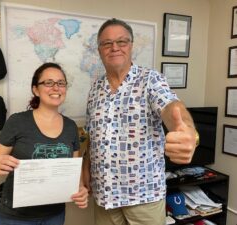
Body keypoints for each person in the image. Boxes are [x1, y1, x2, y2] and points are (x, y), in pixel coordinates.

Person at [83, 18, 199, 225]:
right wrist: (86, 168)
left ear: (131, 46)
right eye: (107, 43)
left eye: (122, 41)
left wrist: (188, 130)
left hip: (143, 197)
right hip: (105, 196)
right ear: (99, 50)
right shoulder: (95, 89)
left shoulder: (150, 79)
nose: (114, 47)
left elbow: (171, 107)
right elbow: (93, 136)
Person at [0, 62, 88, 225]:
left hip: (55, 215)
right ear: (35, 89)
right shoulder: (17, 121)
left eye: (61, 83)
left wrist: (81, 190)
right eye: (48, 83)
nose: (56, 88)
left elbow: (75, 174)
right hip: (16, 216)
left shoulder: (70, 127)